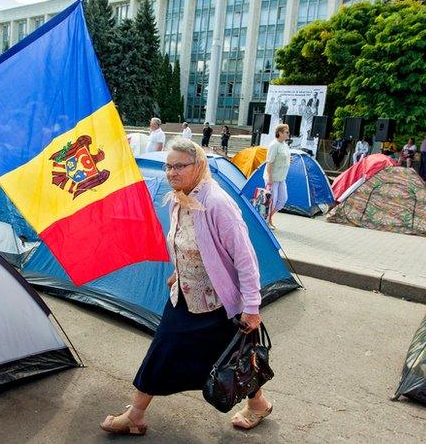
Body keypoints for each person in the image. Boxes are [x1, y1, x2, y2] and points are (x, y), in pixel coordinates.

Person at [100, 139, 270, 435]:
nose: (171, 172)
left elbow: (246, 259)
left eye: (180, 166)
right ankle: (136, 415)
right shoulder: (180, 197)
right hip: (185, 297)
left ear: (199, 166)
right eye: (169, 166)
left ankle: (258, 405)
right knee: (162, 350)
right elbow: (189, 244)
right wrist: (179, 273)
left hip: (218, 305)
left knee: (234, 360)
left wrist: (252, 308)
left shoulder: (217, 204)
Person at [265, 124, 291, 229]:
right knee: (272, 200)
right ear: (280, 133)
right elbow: (269, 162)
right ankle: (267, 220)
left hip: (281, 177)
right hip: (273, 178)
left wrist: (288, 160)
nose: (288, 134)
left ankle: (269, 217)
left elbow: (284, 157)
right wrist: (270, 177)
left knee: (282, 199)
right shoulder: (274, 145)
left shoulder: (284, 144)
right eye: (286, 132)